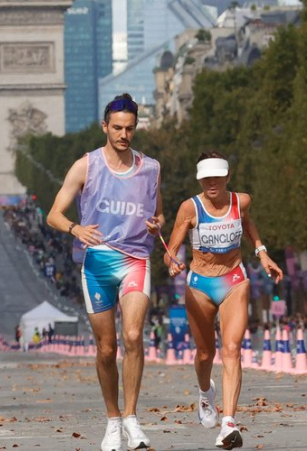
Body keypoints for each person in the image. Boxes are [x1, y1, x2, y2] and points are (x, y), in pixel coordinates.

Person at [47, 93, 163, 451]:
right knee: (105, 347)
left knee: (132, 335)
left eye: (129, 128)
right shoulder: (86, 166)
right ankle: (112, 420)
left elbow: (158, 215)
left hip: (135, 260)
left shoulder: (151, 168)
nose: (124, 135)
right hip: (97, 261)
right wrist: (74, 229)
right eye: (117, 128)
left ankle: (131, 417)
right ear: (105, 127)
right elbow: (53, 213)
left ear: (136, 128)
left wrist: (157, 225)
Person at [163, 150, 283, 450]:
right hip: (200, 285)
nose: (211, 183)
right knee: (205, 354)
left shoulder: (240, 201)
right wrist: (172, 261)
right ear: (200, 179)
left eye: (217, 176)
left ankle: (229, 422)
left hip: (234, 280)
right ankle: (205, 393)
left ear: (228, 176)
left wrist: (262, 252)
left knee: (232, 350)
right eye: (206, 178)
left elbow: (248, 224)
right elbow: (171, 249)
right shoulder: (189, 208)